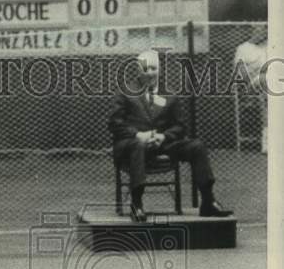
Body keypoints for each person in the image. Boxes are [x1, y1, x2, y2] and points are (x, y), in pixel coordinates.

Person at [109, 49, 232, 223]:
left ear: (159, 69)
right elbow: (115, 123)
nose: (150, 73)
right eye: (146, 69)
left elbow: (180, 126)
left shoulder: (170, 95)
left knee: (196, 146)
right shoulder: (125, 92)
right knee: (137, 146)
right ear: (138, 70)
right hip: (132, 145)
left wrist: (164, 137)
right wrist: (138, 135)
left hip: (162, 144)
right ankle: (136, 204)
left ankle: (208, 201)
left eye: (154, 68)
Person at [234, 24, 268, 153]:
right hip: (250, 86)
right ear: (252, 31)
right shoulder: (243, 49)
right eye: (259, 30)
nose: (263, 34)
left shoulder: (270, 46)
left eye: (265, 31)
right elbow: (241, 73)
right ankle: (267, 140)